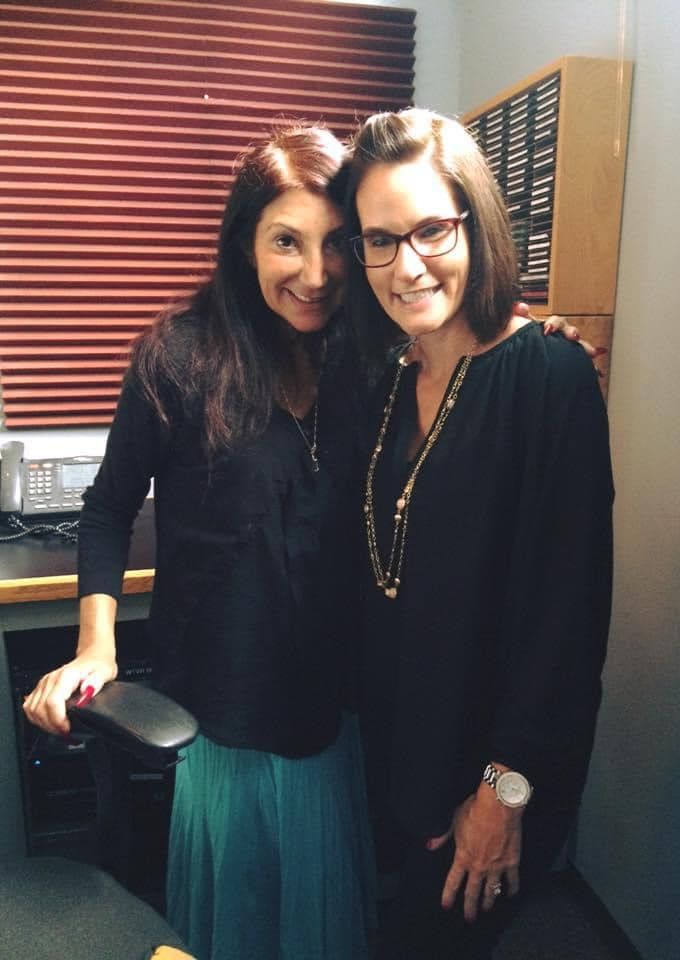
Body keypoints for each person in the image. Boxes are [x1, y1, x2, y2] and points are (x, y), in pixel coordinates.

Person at [22, 125, 375, 960]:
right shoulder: (178, 355)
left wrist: (532, 337)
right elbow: (107, 509)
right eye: (286, 241)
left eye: (335, 244)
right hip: (221, 701)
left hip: (332, 702)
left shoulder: (369, 355)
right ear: (244, 239)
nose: (314, 273)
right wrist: (95, 648)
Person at [341, 107, 614, 960]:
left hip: (492, 782)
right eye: (379, 240)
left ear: (476, 222)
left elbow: (568, 631)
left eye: (430, 229)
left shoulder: (551, 377)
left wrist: (504, 797)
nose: (406, 264)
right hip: (399, 756)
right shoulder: (389, 377)